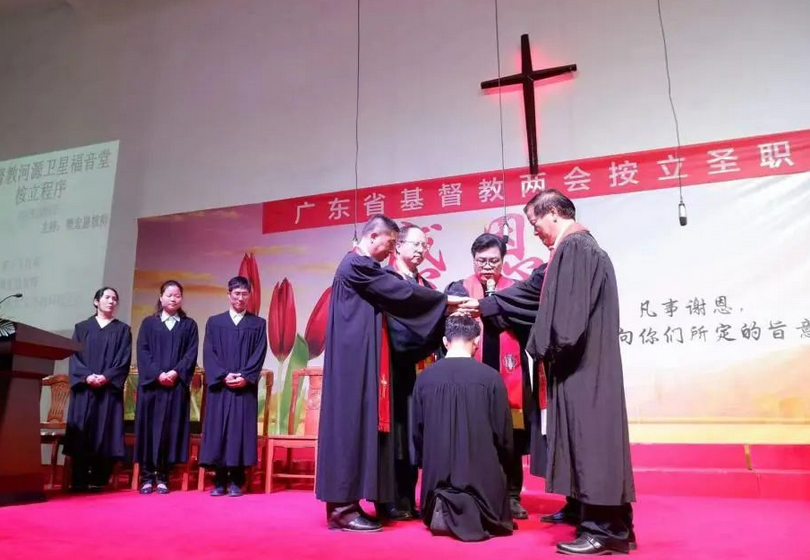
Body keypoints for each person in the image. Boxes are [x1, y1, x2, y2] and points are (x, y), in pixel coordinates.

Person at [467, 189, 636, 555]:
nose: (535, 232)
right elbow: (536, 297)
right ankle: (611, 523)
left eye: (535, 223)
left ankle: (603, 529)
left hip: (583, 369)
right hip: (586, 365)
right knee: (590, 443)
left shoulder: (575, 248)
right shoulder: (579, 249)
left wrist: (539, 345)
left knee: (591, 443)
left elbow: (567, 320)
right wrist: (484, 305)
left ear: (554, 214)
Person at [316, 215, 466, 532]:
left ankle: (351, 504)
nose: (391, 250)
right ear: (374, 236)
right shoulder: (357, 265)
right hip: (351, 363)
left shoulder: (362, 267)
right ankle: (343, 508)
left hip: (360, 360)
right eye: (390, 243)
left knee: (361, 427)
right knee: (349, 428)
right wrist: (446, 301)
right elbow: (400, 293)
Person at [446, 232, 542, 520]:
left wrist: (493, 304)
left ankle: (512, 495)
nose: (487, 267)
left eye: (493, 261)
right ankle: (473, 492)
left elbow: (524, 325)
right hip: (470, 375)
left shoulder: (517, 289)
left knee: (510, 436)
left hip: (509, 375)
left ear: (503, 260)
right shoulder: (460, 288)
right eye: (481, 261)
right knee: (472, 434)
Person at [412, 315, 514, 542]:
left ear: (445, 342)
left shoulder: (424, 379)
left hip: (436, 480)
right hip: (482, 486)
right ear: (476, 342)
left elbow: (417, 434)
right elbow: (503, 434)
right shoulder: (491, 378)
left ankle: (440, 510)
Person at [382, 224, 440, 520]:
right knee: (396, 435)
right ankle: (390, 499)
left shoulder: (426, 288)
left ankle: (409, 497)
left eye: (424, 246)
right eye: (415, 245)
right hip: (392, 371)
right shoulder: (387, 282)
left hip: (420, 374)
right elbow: (397, 333)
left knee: (414, 436)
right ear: (398, 245)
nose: (420, 250)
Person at [199, 276, 268, 497]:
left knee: (240, 431)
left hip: (244, 388)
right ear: (228, 295)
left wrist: (246, 377)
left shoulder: (258, 324)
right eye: (236, 293)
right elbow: (209, 353)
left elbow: (259, 354)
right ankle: (219, 480)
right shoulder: (214, 322)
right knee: (219, 430)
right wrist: (222, 375)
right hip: (221, 386)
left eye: (244, 294)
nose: (240, 298)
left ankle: (237, 480)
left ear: (250, 296)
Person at [64, 287, 132, 492]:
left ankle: (100, 479)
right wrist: (86, 376)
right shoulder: (82, 327)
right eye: (107, 297)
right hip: (85, 389)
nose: (111, 301)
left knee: (106, 432)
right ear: (96, 302)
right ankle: (79, 479)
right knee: (82, 431)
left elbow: (124, 359)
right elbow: (75, 357)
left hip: (108, 391)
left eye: (115, 299)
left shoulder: (122, 330)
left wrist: (106, 377)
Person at [134, 280, 199, 495]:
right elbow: (143, 352)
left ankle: (163, 476)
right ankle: (146, 476)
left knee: (169, 432)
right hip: (152, 388)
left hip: (174, 388)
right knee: (148, 430)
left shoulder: (188, 325)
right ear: (161, 297)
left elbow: (191, 354)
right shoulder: (148, 323)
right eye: (169, 295)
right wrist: (157, 373)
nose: (173, 298)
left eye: (177, 295)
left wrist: (175, 372)